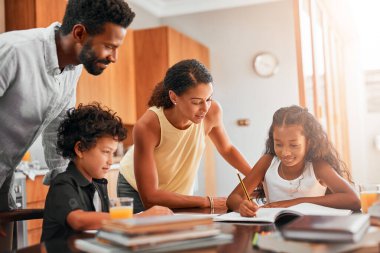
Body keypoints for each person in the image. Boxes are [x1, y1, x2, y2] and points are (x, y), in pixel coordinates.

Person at [0, 0, 135, 211]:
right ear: (79, 33)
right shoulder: (13, 51)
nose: (114, 58)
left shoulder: (73, 68)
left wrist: (65, 188)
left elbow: (57, 131)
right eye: (109, 46)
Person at [118, 59, 252, 213]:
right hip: (136, 191)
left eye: (208, 99)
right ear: (174, 97)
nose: (205, 108)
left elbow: (227, 149)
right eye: (196, 102)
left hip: (178, 192)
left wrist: (257, 178)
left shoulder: (212, 112)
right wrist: (208, 201)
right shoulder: (148, 125)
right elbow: (150, 198)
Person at [41, 103, 172, 241]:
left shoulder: (98, 184)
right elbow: (78, 220)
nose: (111, 160)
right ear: (80, 149)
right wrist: (137, 218)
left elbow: (107, 223)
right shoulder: (63, 183)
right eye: (106, 152)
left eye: (113, 153)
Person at [227, 105, 361, 217]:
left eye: (294, 145)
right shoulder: (268, 162)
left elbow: (353, 200)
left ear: (309, 142)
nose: (285, 152)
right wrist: (241, 206)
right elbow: (233, 198)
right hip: (273, 230)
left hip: (311, 230)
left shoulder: (317, 166)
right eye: (278, 144)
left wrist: (295, 202)